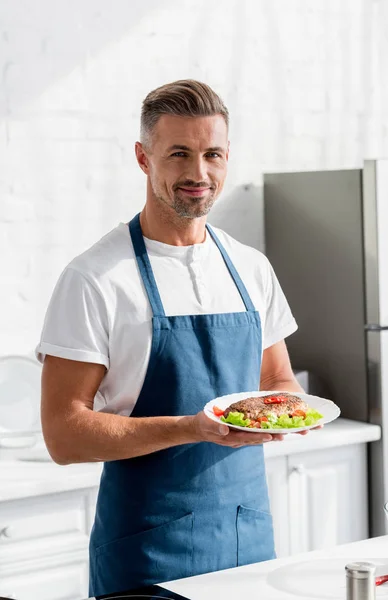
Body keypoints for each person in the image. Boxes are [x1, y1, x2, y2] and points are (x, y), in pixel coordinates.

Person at [36, 79, 306, 597]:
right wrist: (191, 427)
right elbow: (63, 435)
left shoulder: (250, 268)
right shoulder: (95, 277)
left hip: (247, 543)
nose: (198, 173)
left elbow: (278, 379)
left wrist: (291, 412)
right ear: (143, 157)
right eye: (179, 153)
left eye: (213, 154)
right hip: (147, 556)